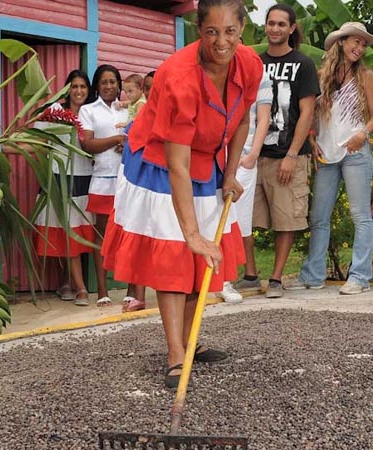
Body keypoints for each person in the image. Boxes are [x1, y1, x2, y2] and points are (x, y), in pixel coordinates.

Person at [100, 0, 259, 388]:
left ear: (241, 31)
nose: (221, 42)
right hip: (159, 163)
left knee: (199, 265)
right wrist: (190, 234)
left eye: (230, 32)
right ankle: (175, 355)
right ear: (198, 30)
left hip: (207, 162)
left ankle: (191, 342)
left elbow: (240, 120)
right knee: (175, 256)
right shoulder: (178, 76)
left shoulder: (250, 65)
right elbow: (178, 166)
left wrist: (230, 173)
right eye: (211, 32)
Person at [296, 22, 373, 295]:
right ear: (341, 42)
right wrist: (310, 136)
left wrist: (363, 134)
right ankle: (313, 274)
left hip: (355, 152)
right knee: (319, 215)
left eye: (363, 44)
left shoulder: (365, 76)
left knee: (360, 215)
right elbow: (311, 114)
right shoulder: (321, 75)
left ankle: (359, 276)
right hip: (325, 152)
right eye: (355, 41)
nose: (359, 47)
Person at [253, 3, 320, 297]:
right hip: (255, 153)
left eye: (282, 24)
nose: (276, 28)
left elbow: (307, 113)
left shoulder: (303, 64)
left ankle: (277, 278)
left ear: (291, 28)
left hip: (288, 153)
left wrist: (293, 155)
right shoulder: (254, 62)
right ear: (265, 26)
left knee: (286, 219)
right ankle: (250, 274)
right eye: (271, 23)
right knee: (244, 217)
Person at [79, 65, 147, 310]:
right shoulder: (88, 111)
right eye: (104, 82)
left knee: (130, 234)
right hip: (101, 180)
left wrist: (129, 144)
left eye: (113, 82)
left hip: (128, 180)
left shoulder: (128, 108)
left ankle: (131, 290)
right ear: (97, 85)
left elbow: (143, 136)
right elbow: (87, 144)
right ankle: (103, 291)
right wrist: (118, 140)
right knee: (101, 237)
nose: (109, 86)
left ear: (119, 85)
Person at [33, 70, 96, 306]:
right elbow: (38, 141)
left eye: (83, 87)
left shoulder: (92, 113)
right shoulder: (55, 112)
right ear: (67, 89)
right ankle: (81, 288)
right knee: (65, 231)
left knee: (74, 234)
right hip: (58, 178)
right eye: (74, 86)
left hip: (85, 179)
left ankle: (67, 283)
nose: (79, 91)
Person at [223, 68, 272, 302]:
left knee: (237, 219)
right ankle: (217, 278)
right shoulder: (212, 69)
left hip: (243, 156)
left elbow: (263, 117)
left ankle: (226, 279)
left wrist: (253, 153)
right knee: (213, 216)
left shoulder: (258, 74)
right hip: (215, 155)